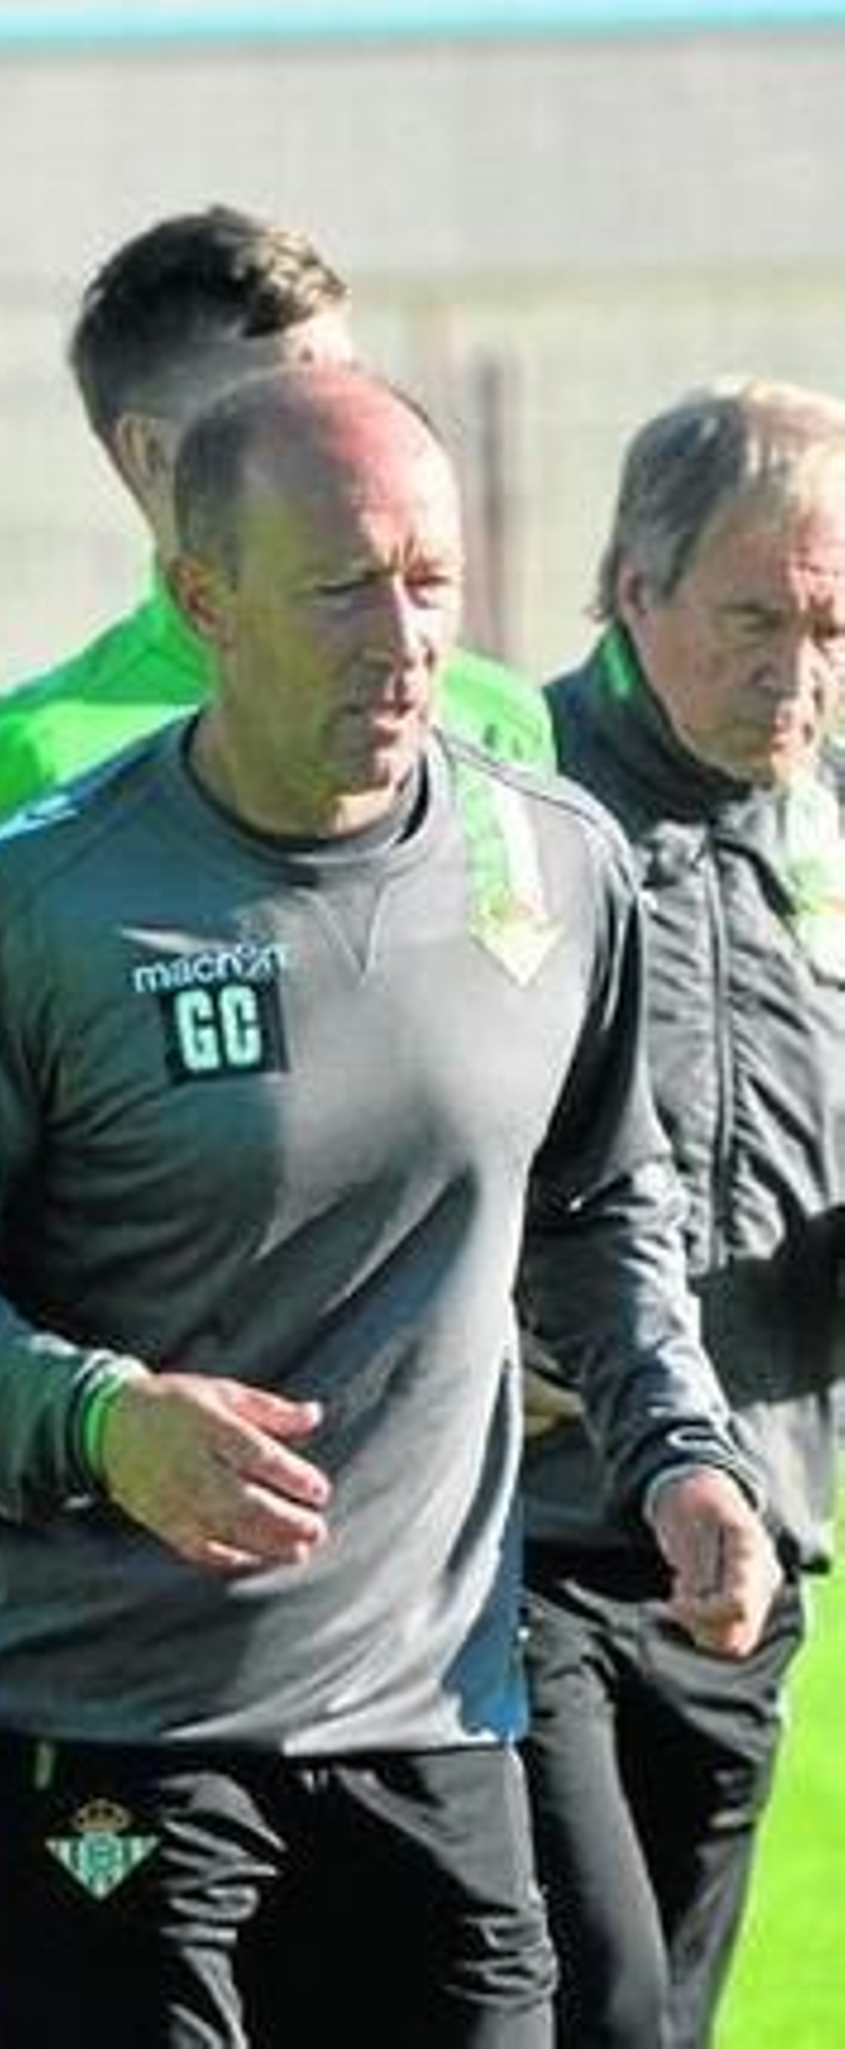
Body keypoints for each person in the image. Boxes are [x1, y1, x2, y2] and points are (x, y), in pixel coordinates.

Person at [0, 362, 779, 2049]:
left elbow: (602, 1192)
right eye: (339, 587)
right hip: (102, 1731)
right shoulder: (27, 903)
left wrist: (676, 1443)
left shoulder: (551, 863)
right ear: (202, 598)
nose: (401, 641)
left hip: (433, 1723)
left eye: (429, 582)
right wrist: (99, 1417)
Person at [518, 379, 845, 2049]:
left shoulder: (840, 822)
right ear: (633, 588)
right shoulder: (505, 807)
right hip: (530, 1536)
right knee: (602, 2007)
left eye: (836, 625)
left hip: (755, 1549)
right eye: (755, 618)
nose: (798, 672)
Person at [0, 206, 553, 847]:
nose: (345, 431)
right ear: (150, 453)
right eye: (286, 401)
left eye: (352, 387)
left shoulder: (497, 722)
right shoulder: (10, 760)